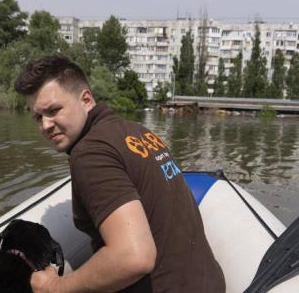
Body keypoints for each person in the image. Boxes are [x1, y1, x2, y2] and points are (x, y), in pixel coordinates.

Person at [14, 54, 225, 293]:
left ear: (86, 100)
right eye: (37, 117)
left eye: (53, 110)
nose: (45, 125)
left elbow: (133, 257)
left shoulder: (90, 154)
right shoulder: (139, 132)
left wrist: (56, 286)